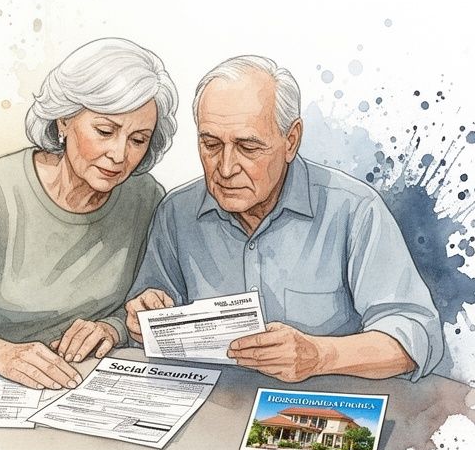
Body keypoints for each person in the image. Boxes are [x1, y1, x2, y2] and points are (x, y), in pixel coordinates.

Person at [123, 55, 444, 383]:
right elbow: (149, 313)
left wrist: (320, 356)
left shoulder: (354, 209)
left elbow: (415, 336)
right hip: (213, 410)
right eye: (211, 144)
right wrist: (143, 317)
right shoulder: (176, 212)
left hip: (323, 407)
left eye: (248, 147)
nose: (226, 168)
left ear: (291, 140)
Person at [0, 38, 178, 390]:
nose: (120, 154)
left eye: (138, 139)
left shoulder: (145, 197)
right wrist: (2, 355)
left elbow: (138, 304)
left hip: (78, 386)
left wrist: (111, 329)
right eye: (105, 131)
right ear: (64, 121)